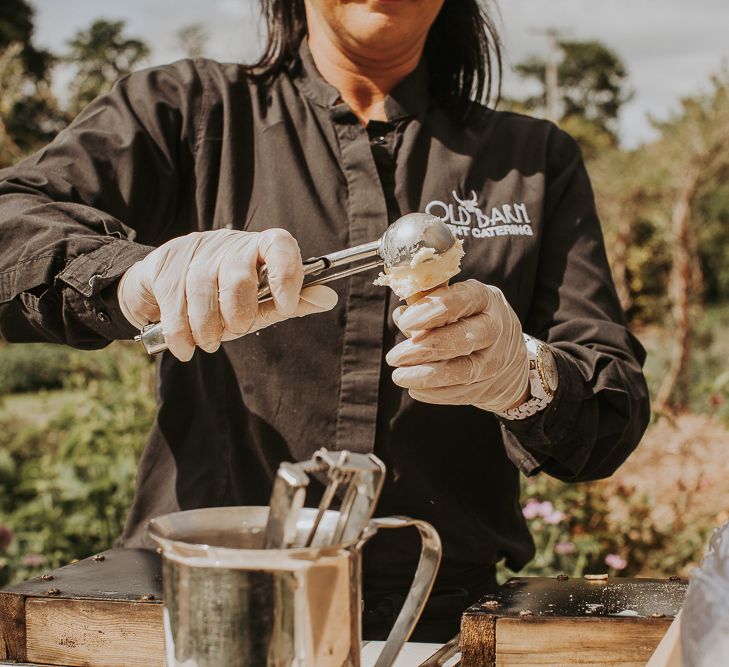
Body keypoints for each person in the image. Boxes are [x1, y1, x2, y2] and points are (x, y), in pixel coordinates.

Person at [0, 0, 649, 642]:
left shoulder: (533, 159)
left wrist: (525, 375)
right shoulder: (188, 110)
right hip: (205, 612)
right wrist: (135, 276)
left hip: (438, 623)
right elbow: (12, 221)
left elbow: (608, 407)